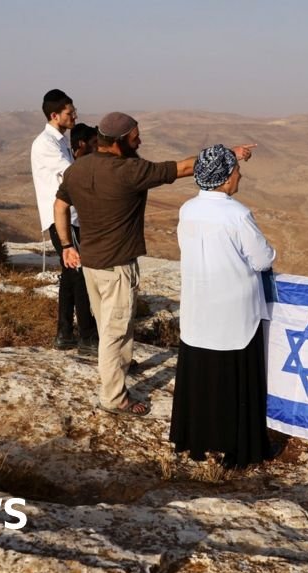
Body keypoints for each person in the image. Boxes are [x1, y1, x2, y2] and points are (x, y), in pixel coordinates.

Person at [54, 112, 254, 417]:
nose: (140, 140)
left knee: (113, 327)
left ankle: (119, 373)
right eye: (135, 137)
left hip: (91, 265)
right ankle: (114, 398)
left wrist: (68, 245)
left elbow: (60, 205)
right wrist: (229, 154)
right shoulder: (131, 171)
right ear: (120, 143)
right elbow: (187, 167)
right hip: (117, 268)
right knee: (114, 333)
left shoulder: (78, 168)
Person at [170, 144, 277, 468]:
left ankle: (197, 441)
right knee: (236, 382)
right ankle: (238, 448)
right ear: (225, 177)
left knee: (201, 378)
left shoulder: (187, 209)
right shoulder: (237, 214)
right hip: (234, 312)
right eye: (235, 170)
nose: (239, 174)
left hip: (199, 307)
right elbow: (263, 258)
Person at [29, 89, 98, 356]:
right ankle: (87, 337)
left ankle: (64, 333)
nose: (75, 115)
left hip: (70, 217)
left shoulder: (59, 142)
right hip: (62, 220)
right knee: (79, 274)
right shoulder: (45, 143)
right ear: (55, 115)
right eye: (70, 112)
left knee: (70, 276)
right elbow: (72, 175)